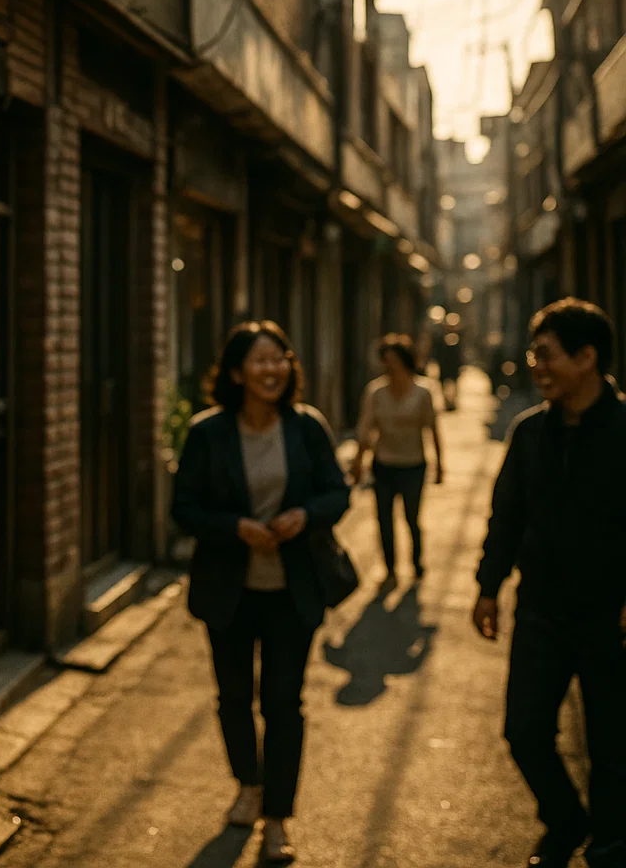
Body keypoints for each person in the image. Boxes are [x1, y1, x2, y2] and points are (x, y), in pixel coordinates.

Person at [171, 321, 352, 865]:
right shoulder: (208, 433)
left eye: (280, 359)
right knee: (233, 698)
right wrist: (235, 528)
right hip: (229, 591)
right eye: (260, 360)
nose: (273, 369)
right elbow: (184, 508)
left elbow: (337, 492)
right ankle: (247, 785)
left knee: (283, 703)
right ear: (236, 372)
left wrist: (305, 516)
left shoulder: (307, 427)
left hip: (292, 591)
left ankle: (277, 818)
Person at [474, 298, 626, 868]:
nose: (535, 366)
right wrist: (488, 586)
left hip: (611, 615)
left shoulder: (623, 430)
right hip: (540, 608)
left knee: (612, 742)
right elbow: (506, 516)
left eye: (546, 355)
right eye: (534, 354)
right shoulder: (530, 432)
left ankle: (610, 841)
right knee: (525, 730)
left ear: (587, 358)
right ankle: (565, 820)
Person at [350, 334, 445, 586]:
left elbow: (433, 429)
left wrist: (440, 464)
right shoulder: (376, 392)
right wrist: (358, 461)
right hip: (384, 464)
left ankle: (416, 563)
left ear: (405, 361)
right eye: (385, 360)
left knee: (412, 518)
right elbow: (365, 430)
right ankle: (390, 570)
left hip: (414, 464)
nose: (389, 365)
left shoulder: (423, 392)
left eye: (393, 360)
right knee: (384, 520)